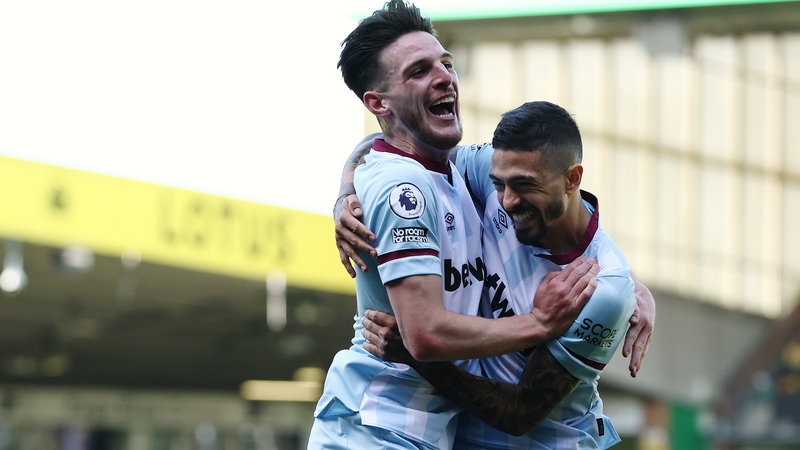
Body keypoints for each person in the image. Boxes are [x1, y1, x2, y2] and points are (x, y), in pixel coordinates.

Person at [308, 2, 604, 449]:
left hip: (418, 429)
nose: (444, 76)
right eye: (419, 71)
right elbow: (425, 335)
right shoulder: (401, 186)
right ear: (378, 103)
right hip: (374, 426)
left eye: (446, 63)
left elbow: (560, 190)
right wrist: (539, 323)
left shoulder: (456, 170)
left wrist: (622, 277)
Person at [358, 101, 644, 448]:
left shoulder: (605, 291)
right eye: (499, 184)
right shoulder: (495, 167)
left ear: (572, 179)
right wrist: (345, 195)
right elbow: (387, 148)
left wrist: (415, 356)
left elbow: (520, 412)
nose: (507, 201)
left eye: (525, 185)